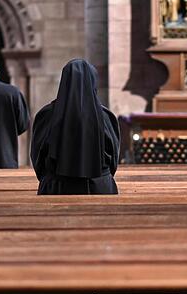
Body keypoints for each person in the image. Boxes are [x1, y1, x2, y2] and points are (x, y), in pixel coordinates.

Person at [30, 59, 120, 195]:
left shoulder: (46, 114)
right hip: (99, 188)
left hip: (56, 189)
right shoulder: (106, 117)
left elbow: (37, 157)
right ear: (93, 81)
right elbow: (113, 157)